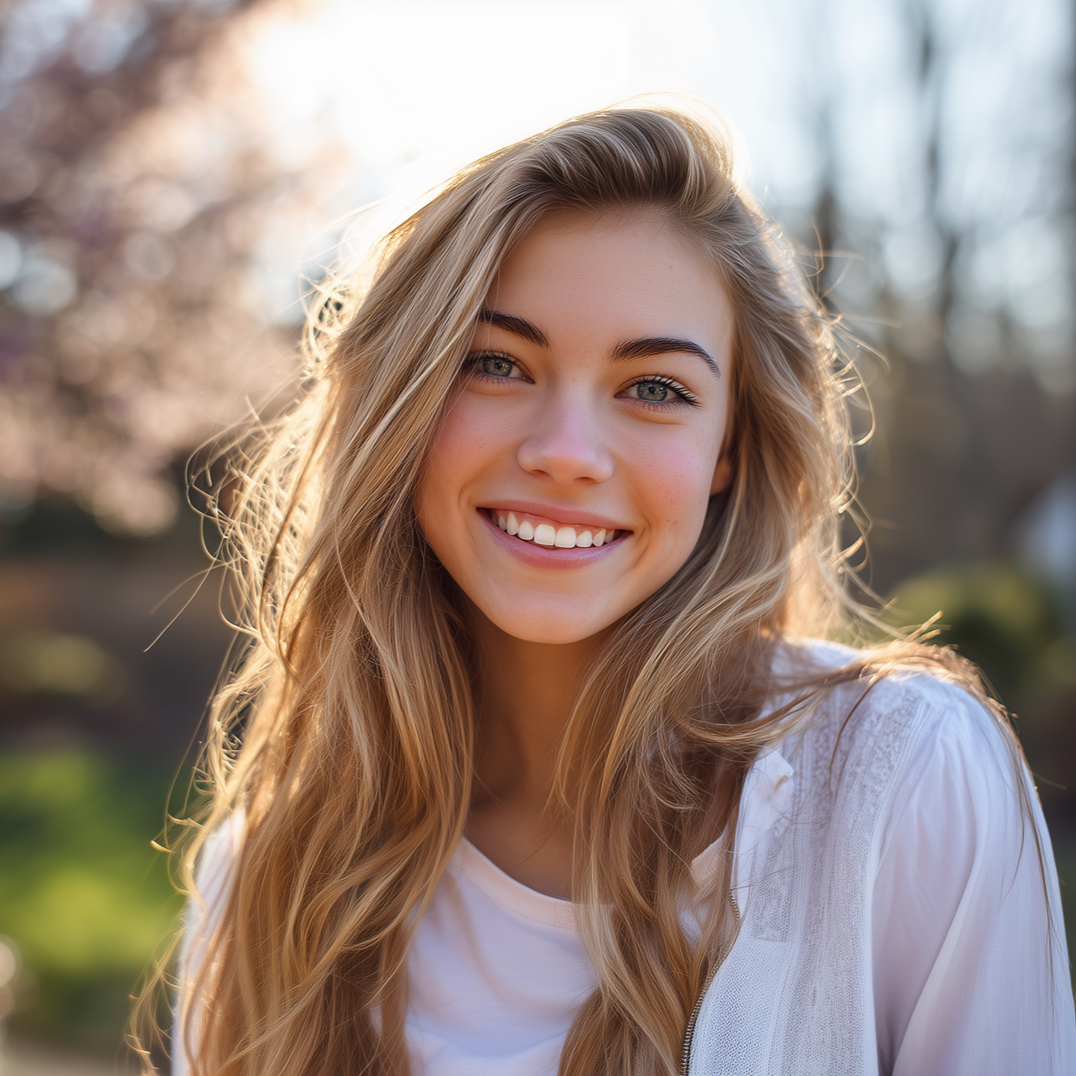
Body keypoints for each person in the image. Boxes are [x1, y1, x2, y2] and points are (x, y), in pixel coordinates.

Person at [144, 101, 1075, 1076]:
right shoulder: (269, 878)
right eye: (495, 364)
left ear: (728, 448)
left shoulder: (898, 776)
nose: (566, 453)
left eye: (655, 388)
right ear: (403, 403)